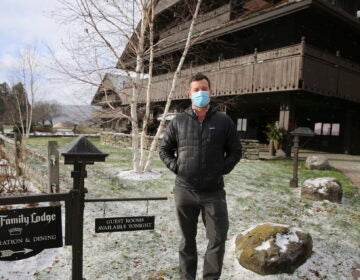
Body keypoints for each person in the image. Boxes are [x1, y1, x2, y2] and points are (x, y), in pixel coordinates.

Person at [159, 73, 242, 280]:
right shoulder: (178, 121)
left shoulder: (223, 121)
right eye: (196, 90)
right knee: (187, 241)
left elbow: (236, 150)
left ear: (210, 92)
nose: (200, 93)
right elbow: (164, 149)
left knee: (217, 239)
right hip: (184, 190)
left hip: (213, 192)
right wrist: (177, 166)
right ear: (189, 94)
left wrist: (223, 168)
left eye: (204, 88)